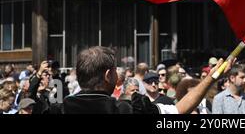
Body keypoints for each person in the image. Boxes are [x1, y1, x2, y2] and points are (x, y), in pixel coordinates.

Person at [29, 46, 232, 114]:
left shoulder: (57, 110)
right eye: (115, 70)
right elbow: (180, 110)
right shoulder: (128, 109)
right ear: (109, 75)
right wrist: (213, 77)